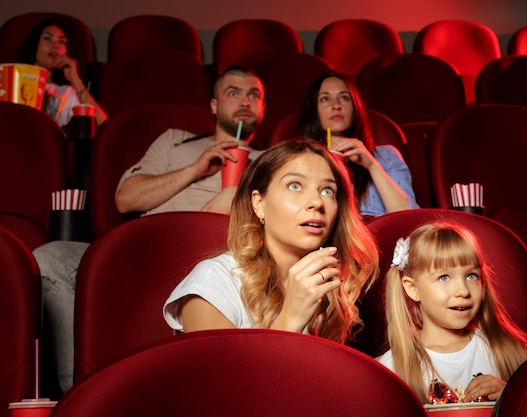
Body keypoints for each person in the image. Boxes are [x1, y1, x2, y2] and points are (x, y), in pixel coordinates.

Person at [33, 65, 266, 394]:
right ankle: (81, 396)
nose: (245, 100)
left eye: (254, 94)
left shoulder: (272, 161)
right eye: (233, 92)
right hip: (147, 251)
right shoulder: (174, 141)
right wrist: (194, 169)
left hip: (222, 258)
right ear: (214, 105)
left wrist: (232, 198)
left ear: (263, 108)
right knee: (52, 258)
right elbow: (126, 199)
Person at [164, 139, 380, 343]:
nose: (316, 202)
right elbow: (224, 381)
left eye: (327, 191)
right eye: (295, 186)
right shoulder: (213, 282)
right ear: (259, 203)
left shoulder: (329, 287)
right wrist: (291, 317)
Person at [379, 222, 527, 404]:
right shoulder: (393, 368)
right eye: (444, 277)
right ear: (413, 288)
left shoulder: (506, 352)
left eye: (471, 276)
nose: (463, 290)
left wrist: (510, 397)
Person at [298, 72, 419, 217]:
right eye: (325, 99)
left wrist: (372, 166)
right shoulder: (300, 160)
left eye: (344, 98)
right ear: (313, 111)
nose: (336, 105)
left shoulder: (385, 156)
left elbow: (408, 218)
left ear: (355, 108)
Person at [18, 19, 108, 127]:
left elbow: (105, 128)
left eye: (61, 42)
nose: (55, 46)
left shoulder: (68, 92)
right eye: (47, 38)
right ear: (33, 44)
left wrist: (76, 81)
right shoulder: (14, 84)